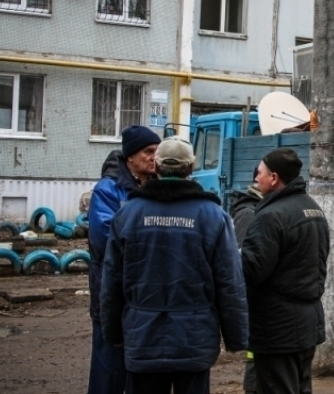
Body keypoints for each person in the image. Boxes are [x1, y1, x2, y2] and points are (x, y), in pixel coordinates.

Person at [100, 137, 248, 394]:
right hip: (194, 337)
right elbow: (229, 282)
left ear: (156, 168)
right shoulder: (213, 216)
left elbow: (111, 279)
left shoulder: (128, 214)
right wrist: (236, 337)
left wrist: (112, 333)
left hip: (142, 335)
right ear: (191, 169)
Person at [240, 148, 330, 394]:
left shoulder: (271, 216)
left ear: (274, 177)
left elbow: (252, 271)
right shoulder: (313, 208)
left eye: (259, 173)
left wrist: (234, 257)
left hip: (277, 329)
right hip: (307, 323)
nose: (255, 179)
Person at [87, 125, 160, 394]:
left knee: (142, 372)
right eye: (148, 151)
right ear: (130, 156)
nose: (154, 157)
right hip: (112, 295)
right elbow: (105, 240)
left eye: (157, 152)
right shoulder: (108, 190)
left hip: (145, 298)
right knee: (109, 371)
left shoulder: (158, 188)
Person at [229, 168, 263, 394]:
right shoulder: (248, 213)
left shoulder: (260, 209)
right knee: (256, 360)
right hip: (254, 300)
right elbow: (244, 260)